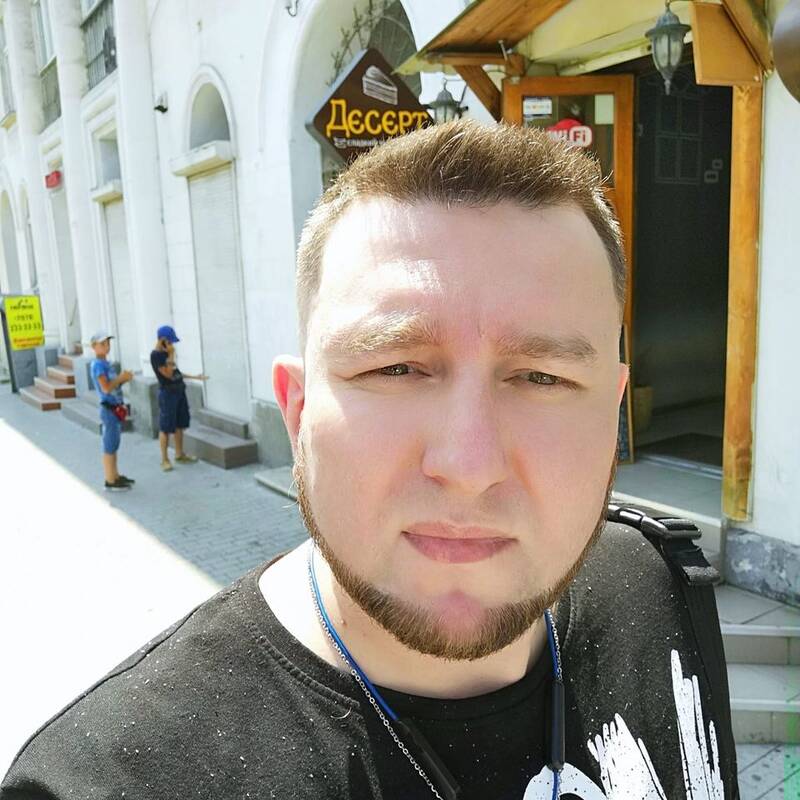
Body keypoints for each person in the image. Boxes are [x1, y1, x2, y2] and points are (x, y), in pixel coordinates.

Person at [1, 121, 739, 798]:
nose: (468, 464)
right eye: (395, 368)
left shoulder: (655, 586)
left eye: (542, 377)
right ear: (296, 413)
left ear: (611, 411)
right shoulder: (102, 783)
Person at [149, 324, 207, 471]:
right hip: (167, 394)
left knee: (180, 425)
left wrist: (195, 377)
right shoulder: (156, 356)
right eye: (169, 341)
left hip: (179, 391)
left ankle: (179, 454)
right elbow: (168, 374)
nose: (172, 345)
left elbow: (176, 372)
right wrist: (171, 355)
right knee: (166, 427)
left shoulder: (167, 354)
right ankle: (164, 460)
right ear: (162, 340)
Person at [87, 330, 134, 491]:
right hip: (108, 409)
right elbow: (106, 388)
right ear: (94, 347)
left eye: (108, 343)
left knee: (114, 443)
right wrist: (120, 378)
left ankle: (115, 475)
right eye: (102, 344)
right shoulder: (98, 365)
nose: (106, 347)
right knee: (109, 445)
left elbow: (113, 385)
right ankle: (110, 479)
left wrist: (123, 380)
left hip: (115, 408)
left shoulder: (106, 364)